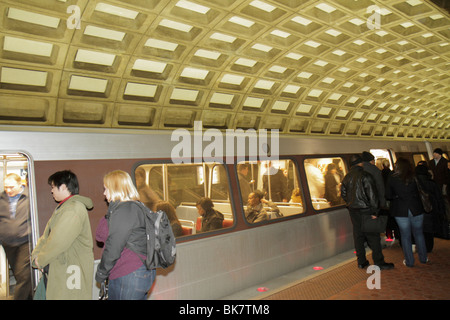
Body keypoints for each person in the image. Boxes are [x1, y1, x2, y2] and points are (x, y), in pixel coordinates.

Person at [32, 170, 93, 300]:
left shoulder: (73, 209)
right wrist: (36, 256)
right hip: (62, 266)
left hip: (71, 270)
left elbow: (57, 241)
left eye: (53, 187)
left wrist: (41, 259)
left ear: (64, 187)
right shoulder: (63, 207)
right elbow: (47, 236)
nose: (51, 191)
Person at [95, 170, 156, 300]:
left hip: (129, 273)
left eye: (106, 189)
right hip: (137, 272)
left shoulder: (125, 210)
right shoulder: (134, 207)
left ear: (115, 188)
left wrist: (101, 272)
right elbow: (100, 236)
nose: (104, 193)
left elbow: (113, 246)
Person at [341, 155, 394, 270]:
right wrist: (375, 212)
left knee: (358, 236)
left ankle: (361, 261)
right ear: (361, 163)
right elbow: (372, 196)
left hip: (353, 211)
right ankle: (379, 262)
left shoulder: (346, 177)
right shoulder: (366, 176)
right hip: (366, 210)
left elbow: (343, 195)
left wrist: (352, 203)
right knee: (373, 237)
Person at [385, 158, 428, 267]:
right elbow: (422, 191)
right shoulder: (414, 176)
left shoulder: (392, 178)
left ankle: (409, 261)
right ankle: (423, 258)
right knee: (419, 234)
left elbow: (388, 195)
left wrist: (396, 196)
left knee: (405, 236)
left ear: (397, 166)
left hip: (400, 211)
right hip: (416, 209)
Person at [0, 173, 32, 300]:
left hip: (25, 241)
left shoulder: (29, 196)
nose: (8, 190)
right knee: (19, 275)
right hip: (8, 243)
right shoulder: (1, 198)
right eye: (6, 187)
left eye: (11, 187)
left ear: (20, 184)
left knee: (24, 276)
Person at [415, 162, 446, 250]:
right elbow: (439, 198)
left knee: (419, 230)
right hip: (431, 210)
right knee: (429, 230)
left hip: (418, 210)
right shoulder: (432, 183)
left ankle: (421, 246)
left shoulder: (414, 183)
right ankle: (429, 247)